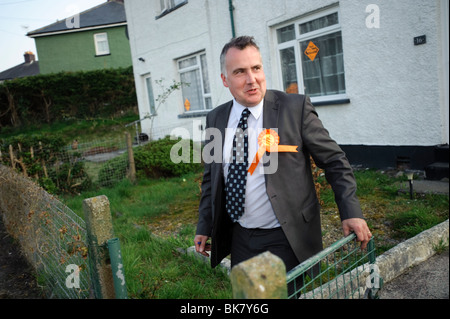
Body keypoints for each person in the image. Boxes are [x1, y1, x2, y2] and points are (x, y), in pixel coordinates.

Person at [194, 36, 371, 277]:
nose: (252, 79)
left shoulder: (294, 109)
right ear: (224, 80)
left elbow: (334, 161)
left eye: (256, 68)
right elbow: (211, 179)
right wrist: (204, 225)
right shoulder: (216, 118)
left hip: (287, 236)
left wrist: (350, 211)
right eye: (240, 72)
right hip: (240, 238)